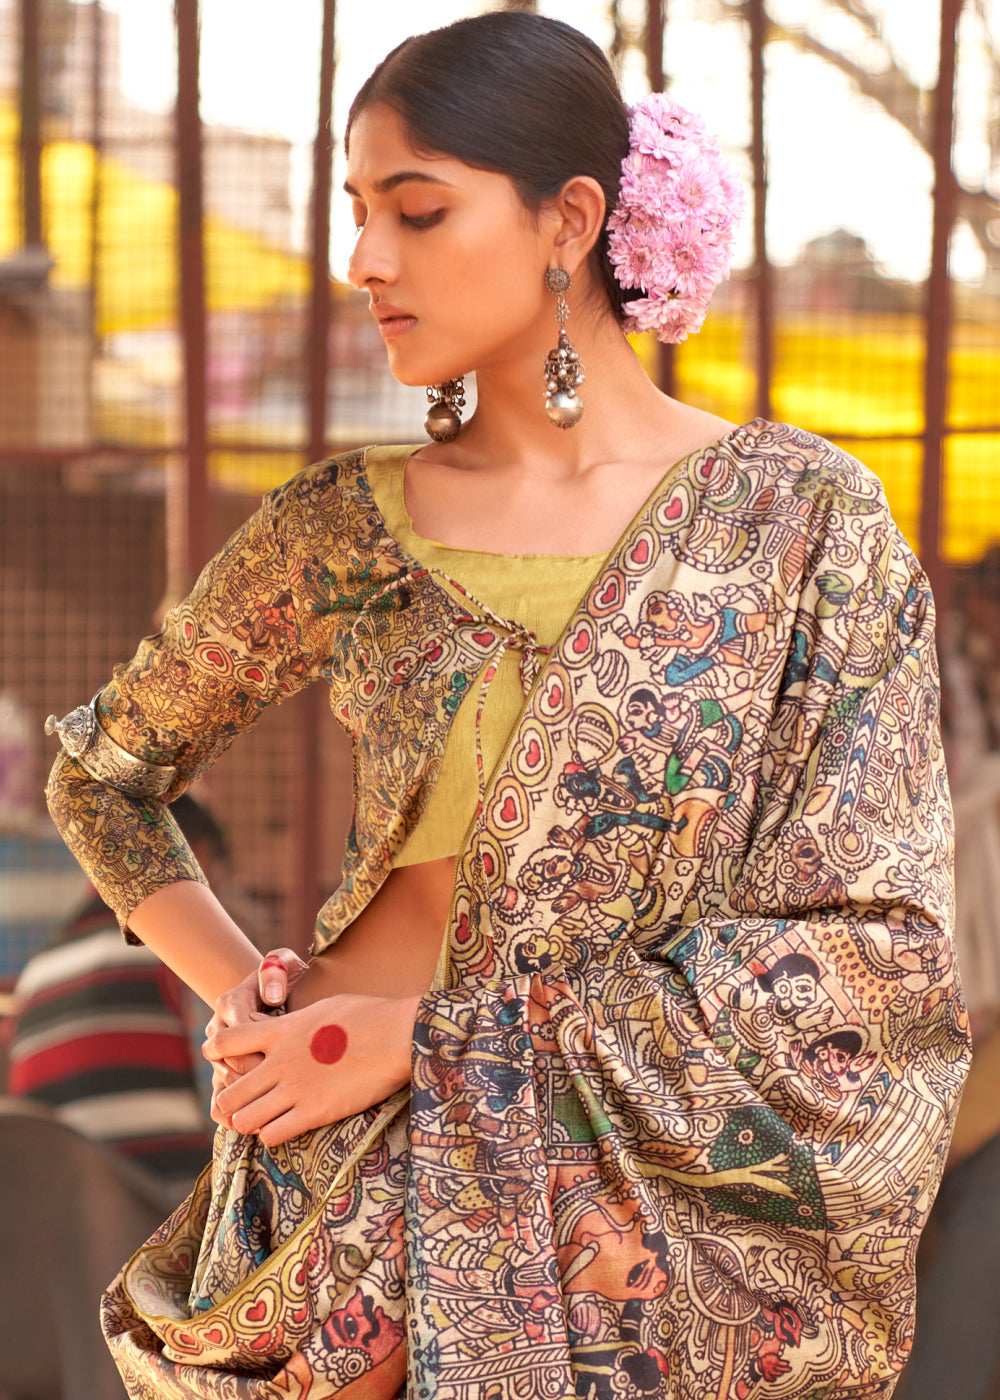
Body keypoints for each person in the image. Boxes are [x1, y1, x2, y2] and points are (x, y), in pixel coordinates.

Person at [41, 13, 968, 1399]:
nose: (365, 259)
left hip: (626, 1222)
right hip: (336, 1187)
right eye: (357, 212)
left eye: (416, 211)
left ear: (569, 222)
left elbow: (876, 959)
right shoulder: (340, 531)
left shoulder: (801, 525)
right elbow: (102, 773)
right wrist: (245, 990)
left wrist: (433, 1045)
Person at [5, 794, 223, 1197]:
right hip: (161, 1203)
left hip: (56, 1207)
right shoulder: (177, 950)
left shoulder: (36, 973)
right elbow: (227, 1091)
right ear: (192, 857)